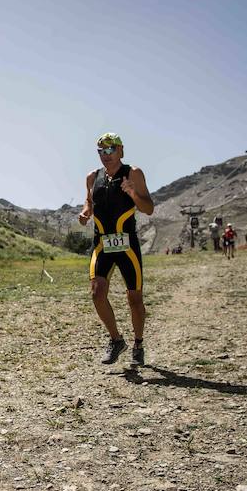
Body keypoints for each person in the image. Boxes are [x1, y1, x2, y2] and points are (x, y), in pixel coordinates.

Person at [78, 132, 154, 366]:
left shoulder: (133, 173)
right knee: (97, 292)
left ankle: (138, 343)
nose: (106, 155)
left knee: (135, 299)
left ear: (121, 150)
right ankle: (116, 340)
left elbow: (148, 208)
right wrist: (85, 212)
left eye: (111, 150)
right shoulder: (93, 177)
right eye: (101, 151)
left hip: (127, 245)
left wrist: (132, 193)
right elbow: (89, 201)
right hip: (102, 243)